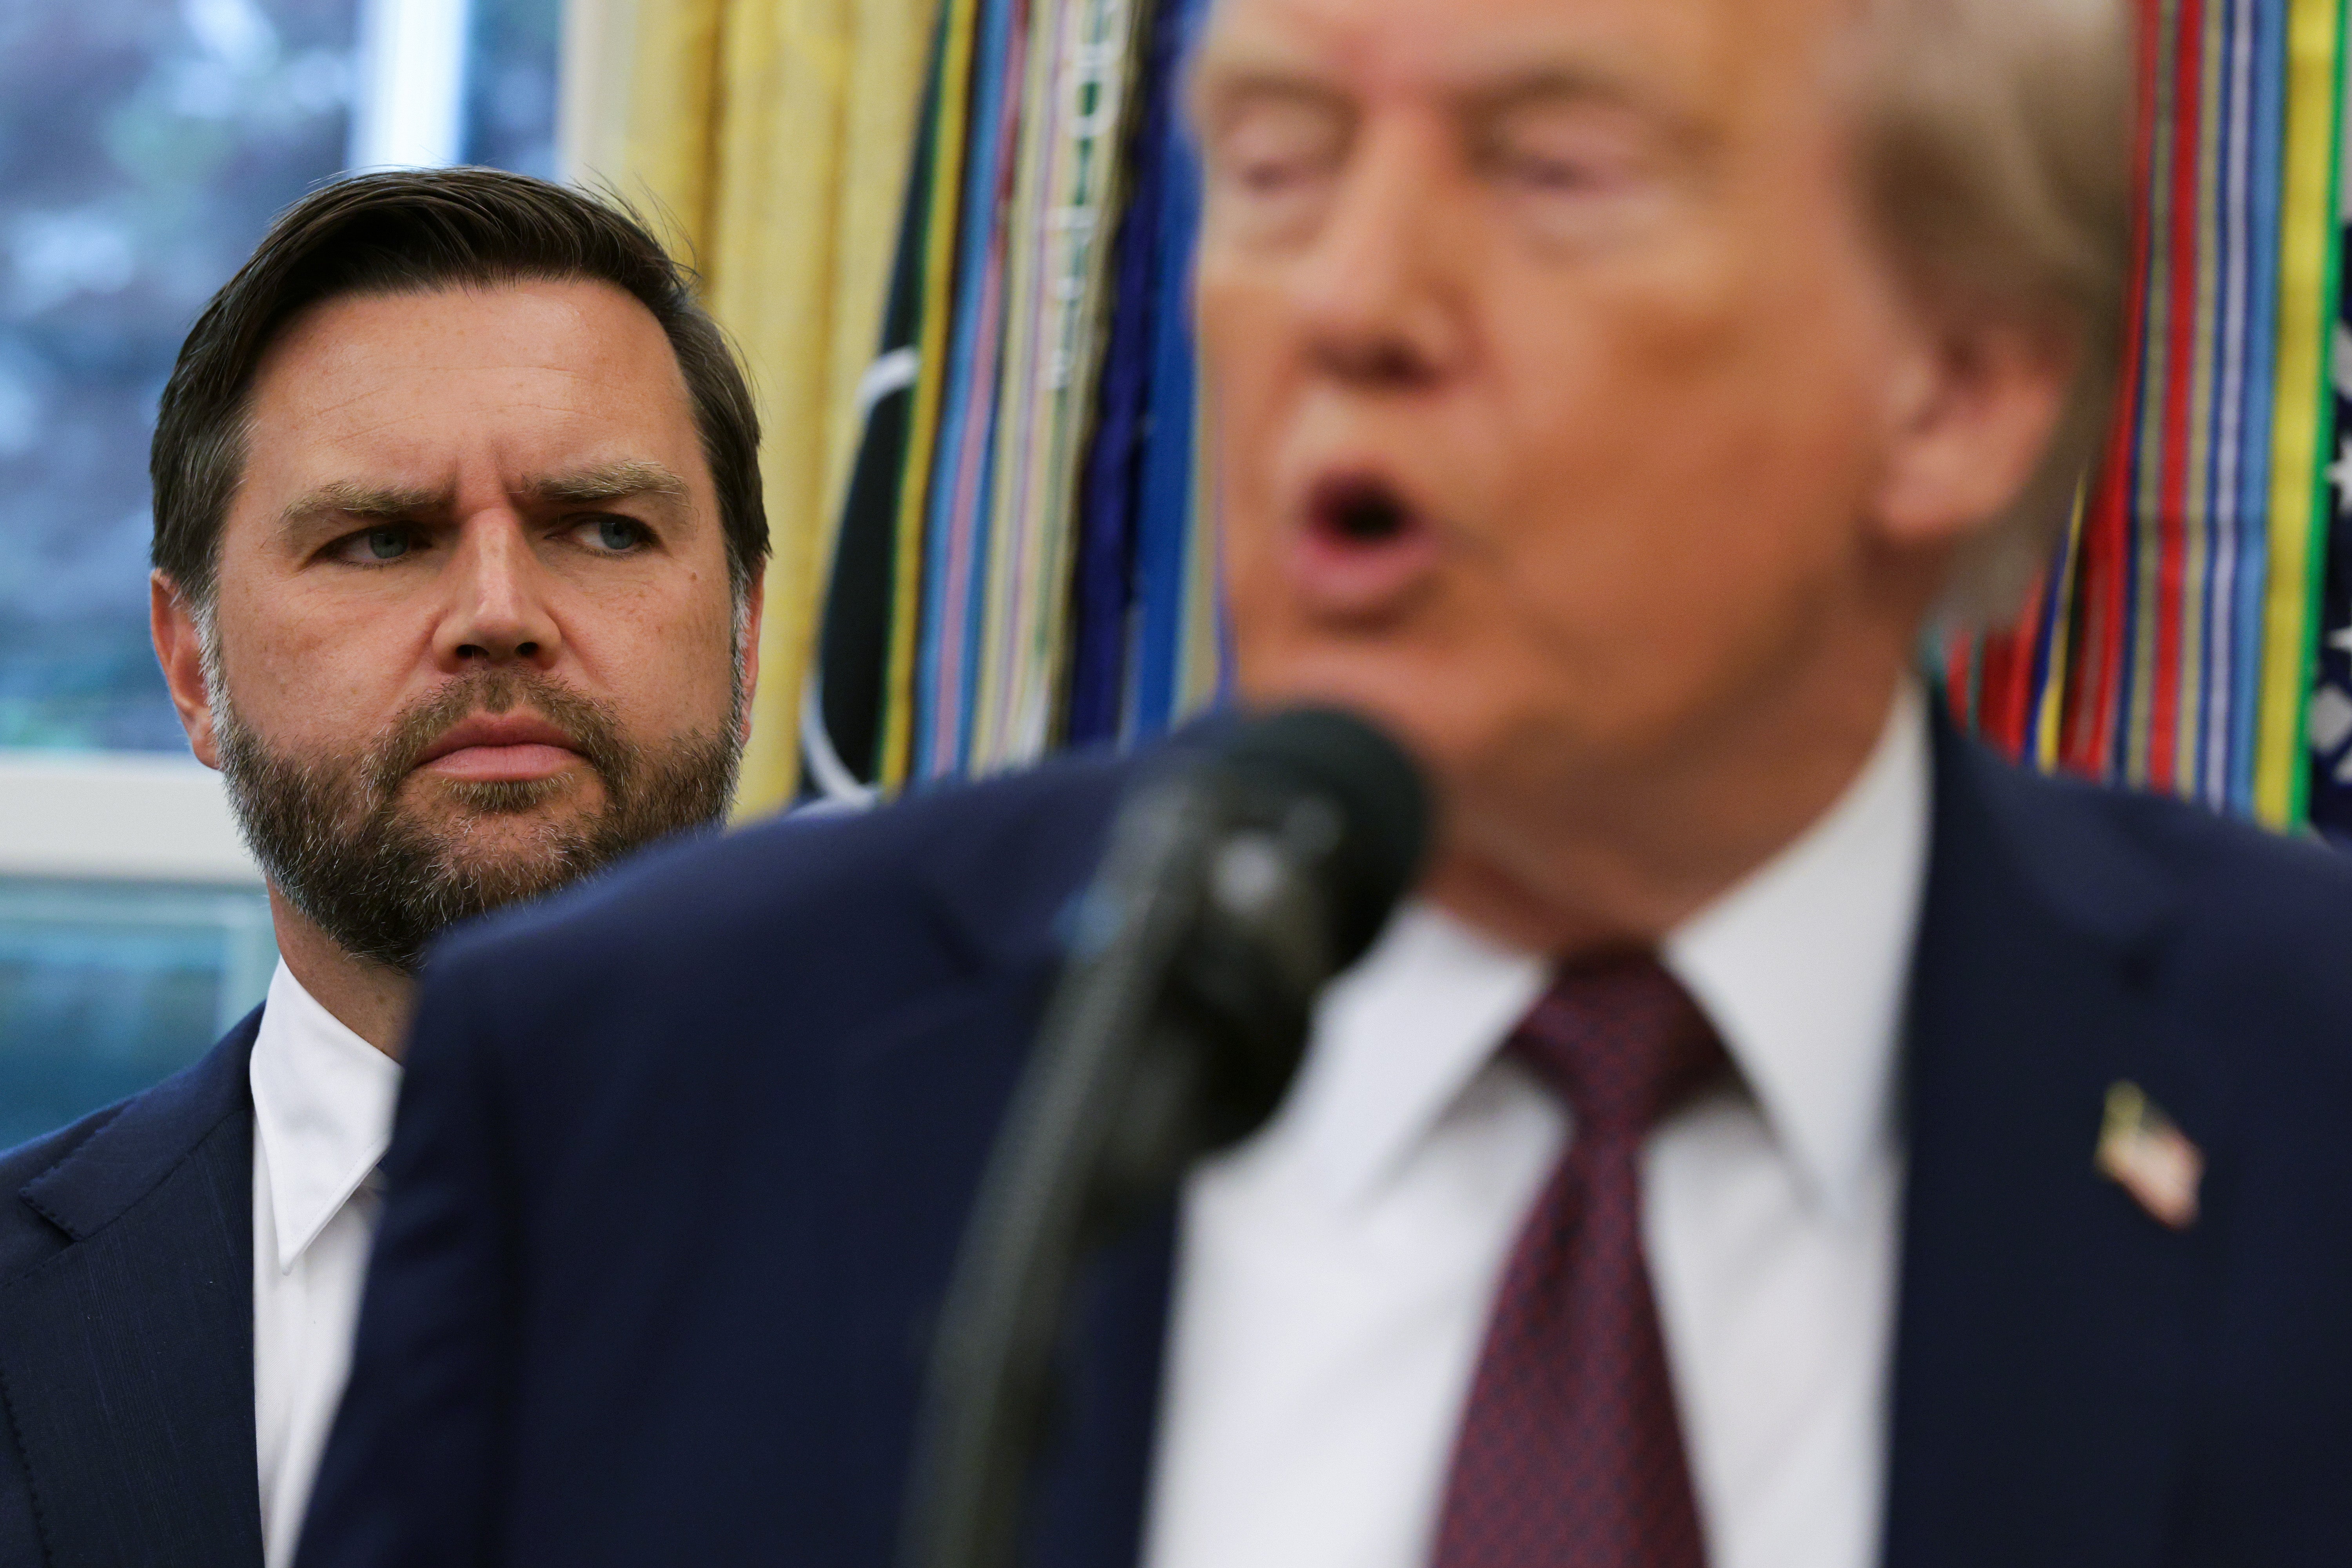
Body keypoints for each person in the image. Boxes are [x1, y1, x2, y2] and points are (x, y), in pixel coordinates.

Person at [301, 0, 2352, 1564]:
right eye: (1276, 167)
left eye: (1553, 169)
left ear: (1958, 386)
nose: (1350, 302)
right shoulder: (643, 1085)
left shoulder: (2301, 1093)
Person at [0, 169, 765, 1568]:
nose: (497, 615)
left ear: (747, 633)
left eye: (603, 526)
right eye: (383, 538)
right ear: (191, 669)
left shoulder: (1065, 1261)